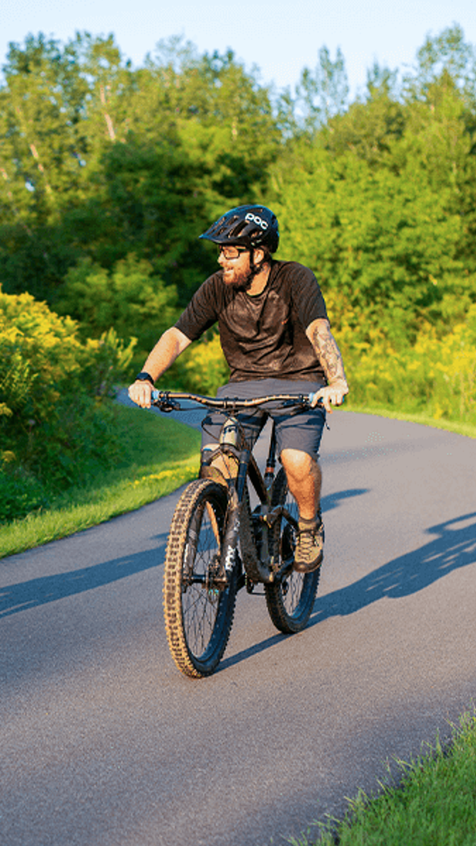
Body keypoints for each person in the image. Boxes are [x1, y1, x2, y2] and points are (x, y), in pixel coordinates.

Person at [128, 204, 349, 572]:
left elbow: (318, 331)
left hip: (300, 381)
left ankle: (309, 527)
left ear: (258, 254)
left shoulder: (296, 279)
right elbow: (177, 335)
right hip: (242, 385)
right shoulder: (217, 288)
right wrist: (146, 377)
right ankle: (235, 539)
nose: (221, 260)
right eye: (220, 252)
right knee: (216, 463)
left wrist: (336, 380)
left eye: (230, 253)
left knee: (295, 460)